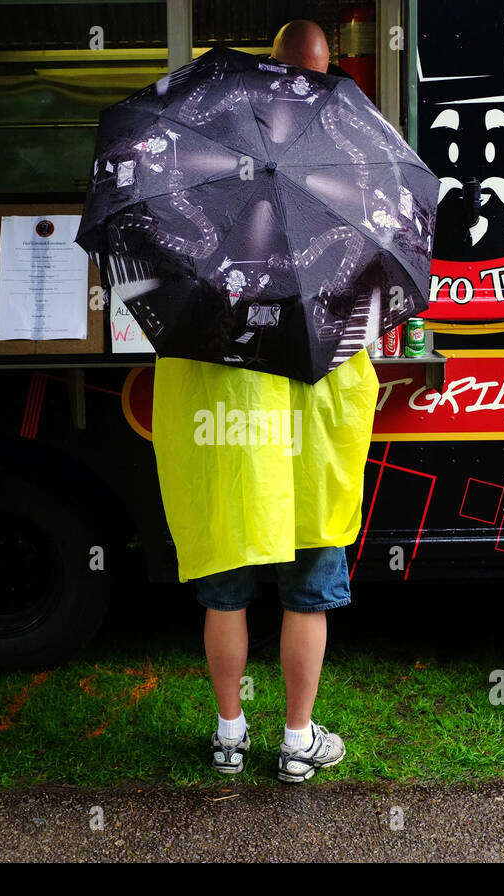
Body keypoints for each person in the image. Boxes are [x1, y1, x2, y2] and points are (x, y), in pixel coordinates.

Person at [149, 20, 380, 783]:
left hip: (226, 432)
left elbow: (168, 306)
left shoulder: (204, 171)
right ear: (325, 75)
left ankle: (227, 732)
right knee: (308, 592)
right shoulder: (348, 176)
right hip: (310, 439)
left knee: (226, 585)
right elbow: (365, 321)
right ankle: (296, 739)